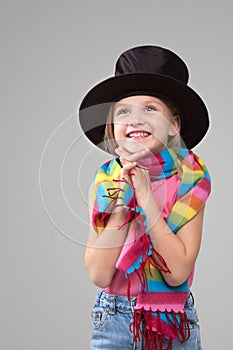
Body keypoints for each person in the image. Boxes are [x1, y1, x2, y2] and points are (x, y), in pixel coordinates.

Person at [79, 46, 211, 350]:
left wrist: (147, 199)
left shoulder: (191, 181)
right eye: (124, 111)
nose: (136, 119)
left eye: (150, 109)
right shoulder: (105, 184)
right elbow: (100, 273)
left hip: (172, 321)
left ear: (173, 125)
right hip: (113, 320)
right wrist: (125, 202)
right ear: (113, 127)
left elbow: (177, 271)